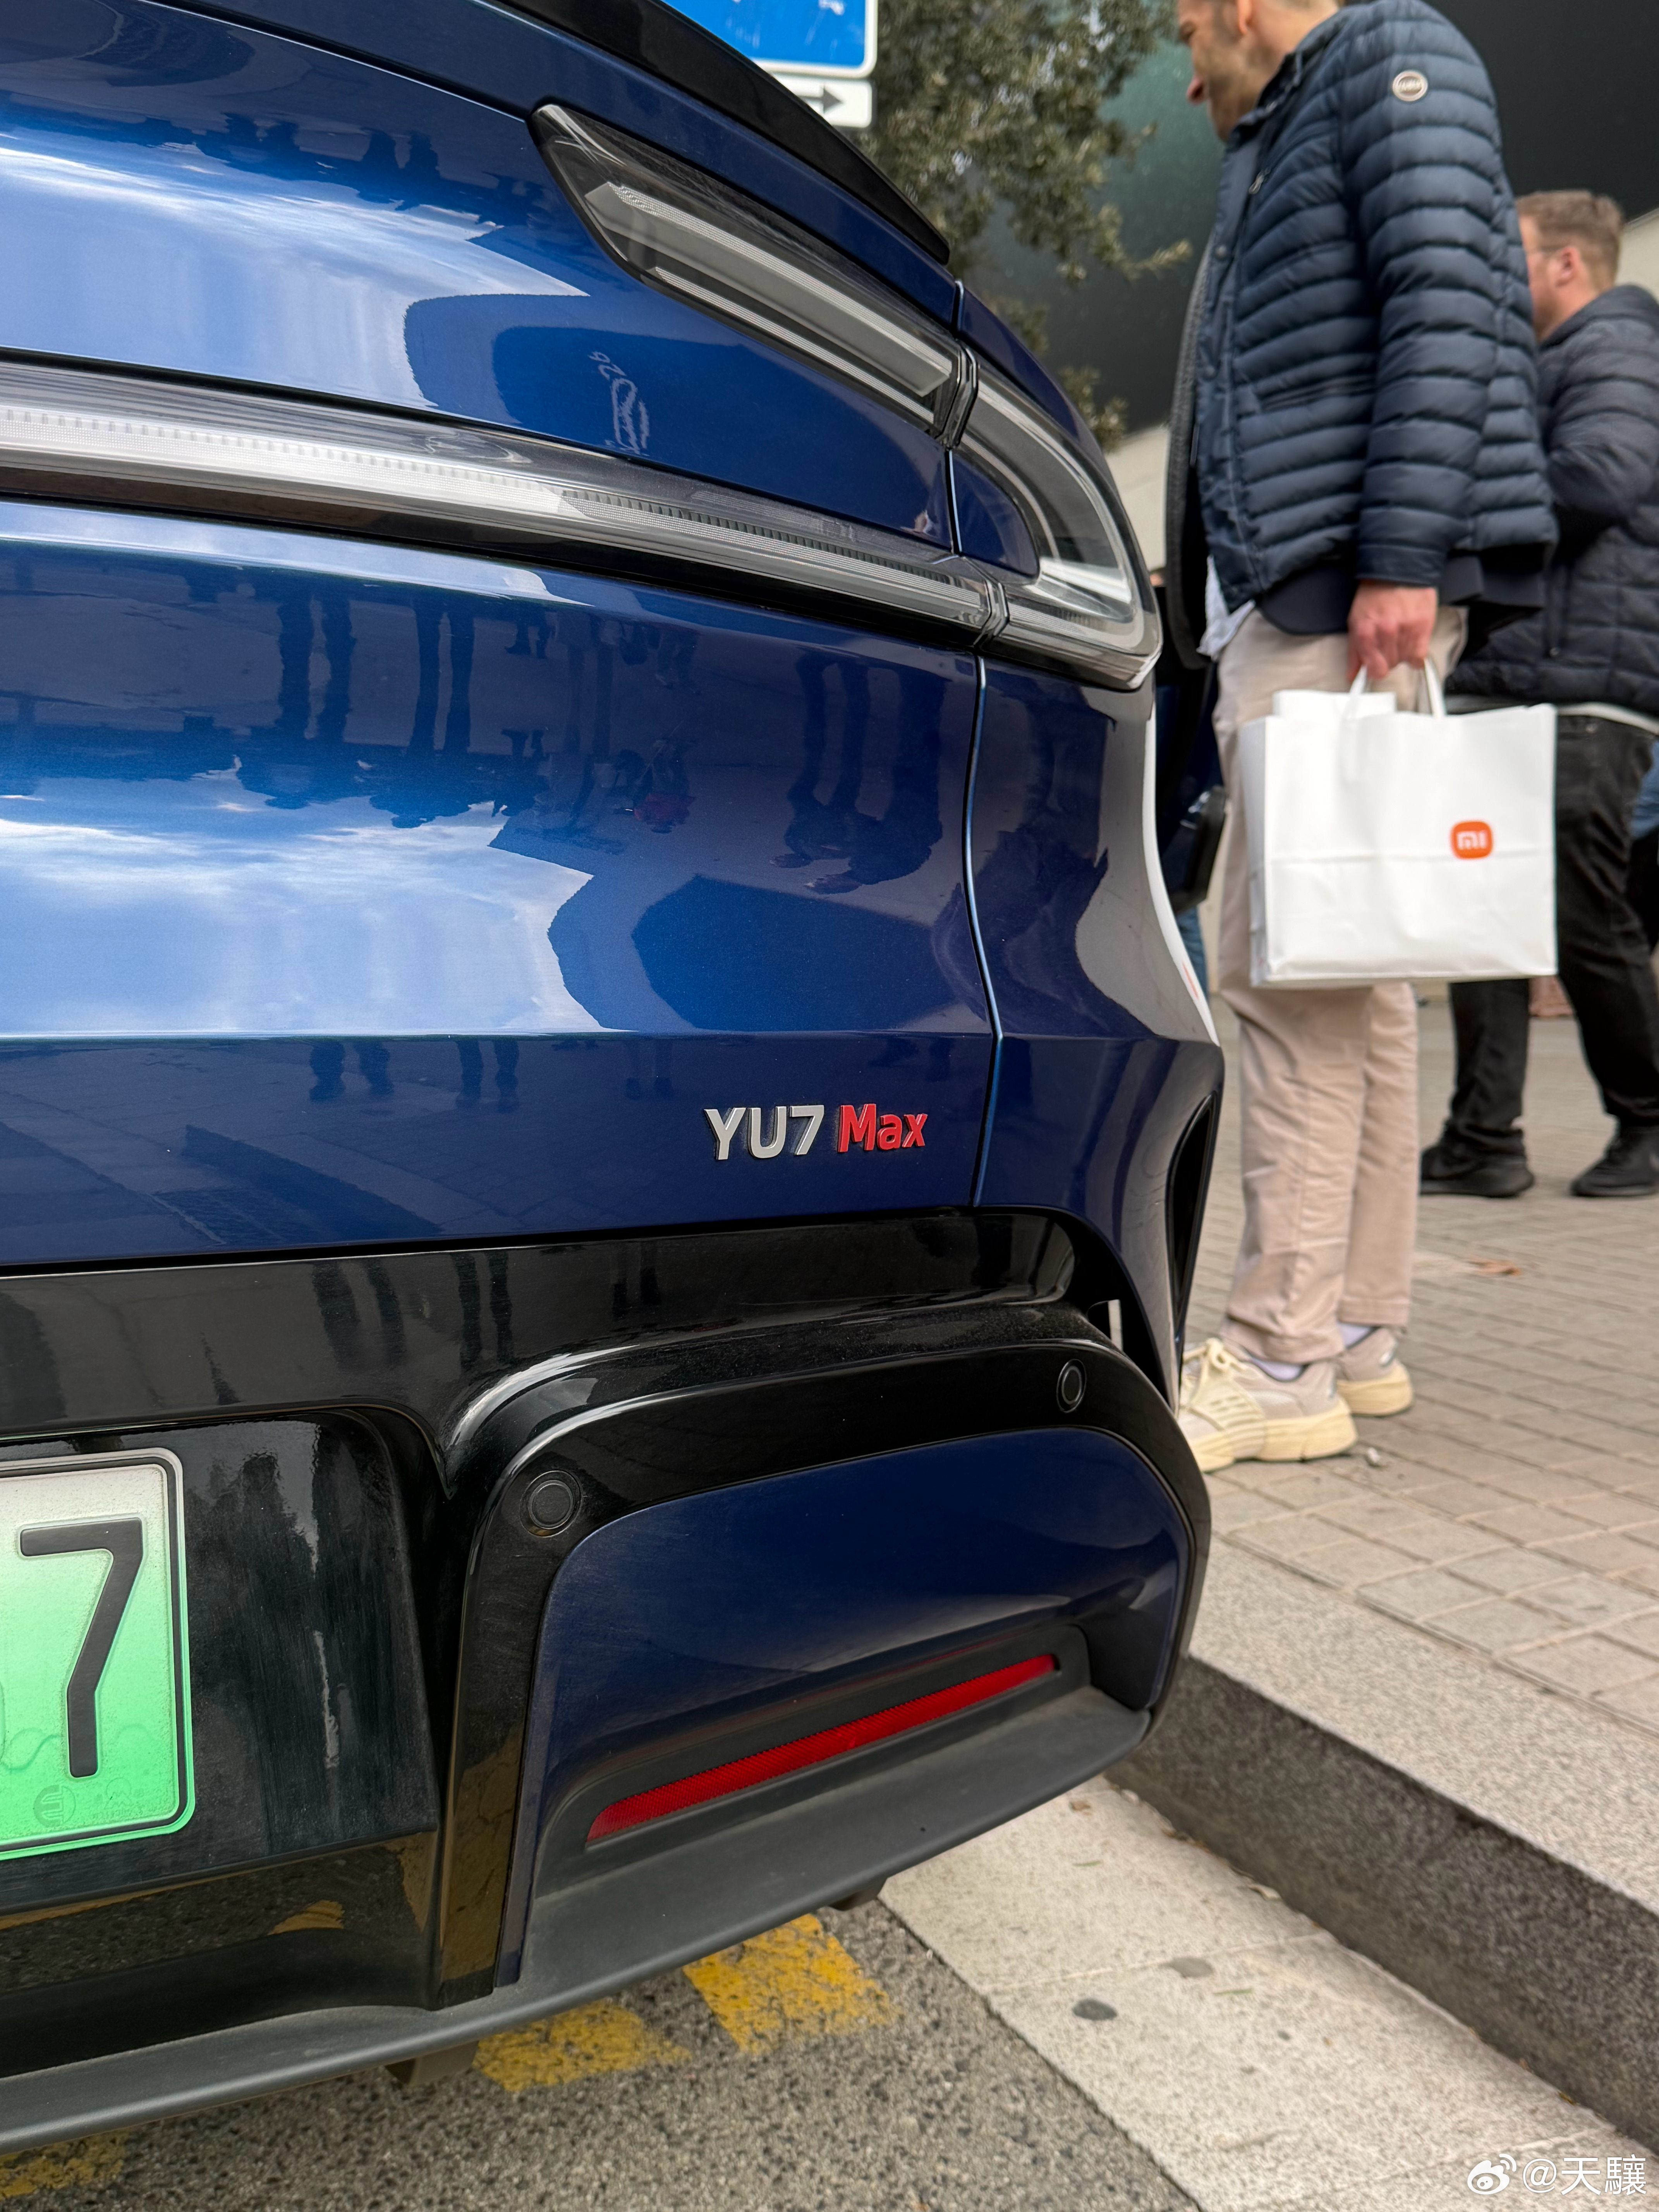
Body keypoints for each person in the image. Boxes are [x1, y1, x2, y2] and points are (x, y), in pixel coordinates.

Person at [1163, 0, 1554, 1472]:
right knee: (1353, 976)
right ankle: (1353, 1333)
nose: (1187, 74)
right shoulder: (1307, 111)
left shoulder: (1393, 57)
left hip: (1337, 591)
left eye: (1186, 31)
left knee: (1284, 977)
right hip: (1325, 585)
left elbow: (1449, 304)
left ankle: (1277, 1356)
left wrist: (1396, 556)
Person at [1423, 193, 1659, 1200]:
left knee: (1578, 911)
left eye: (1509, 255)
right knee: (1481, 910)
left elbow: (1601, 479)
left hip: (1581, 686)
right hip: (1514, 680)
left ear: (1566, 264)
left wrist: (1454, 507)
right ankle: (1483, 1138)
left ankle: (1650, 1120)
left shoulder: (1616, 346)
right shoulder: (1551, 358)